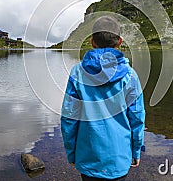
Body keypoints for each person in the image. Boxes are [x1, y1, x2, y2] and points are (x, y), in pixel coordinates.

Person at [61, 16, 146, 181]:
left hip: (88, 157)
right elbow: (137, 117)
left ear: (92, 42)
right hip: (119, 159)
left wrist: (72, 153)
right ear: (120, 41)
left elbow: (69, 117)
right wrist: (136, 150)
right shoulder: (130, 75)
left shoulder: (77, 73)